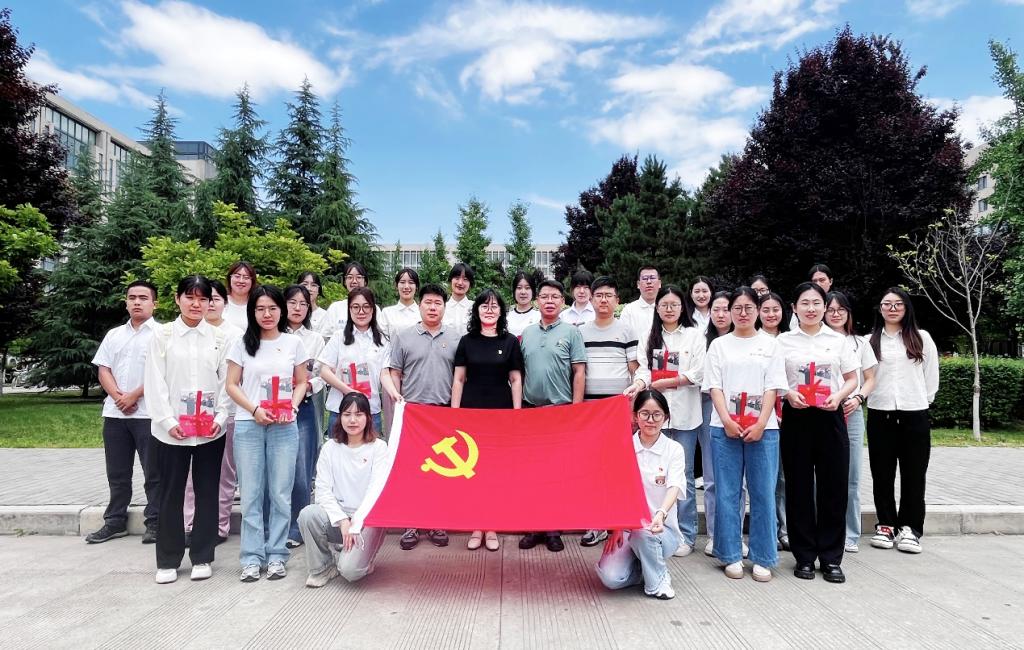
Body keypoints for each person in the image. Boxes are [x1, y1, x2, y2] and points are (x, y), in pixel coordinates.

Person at [144, 276, 231, 584]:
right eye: (190, 297)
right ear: (177, 299)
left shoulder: (219, 338)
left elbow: (226, 382)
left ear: (210, 303)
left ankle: (202, 555)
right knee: (171, 493)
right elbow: (154, 381)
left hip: (210, 430)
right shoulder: (162, 335)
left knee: (207, 490)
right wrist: (168, 421)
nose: (196, 304)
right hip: (171, 431)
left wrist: (221, 416)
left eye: (203, 299)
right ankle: (168, 559)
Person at [704, 287, 789, 582]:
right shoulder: (719, 346)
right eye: (737, 308)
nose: (742, 313)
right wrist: (726, 420)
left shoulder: (771, 345)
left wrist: (762, 422)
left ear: (757, 311)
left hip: (763, 429)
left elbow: (772, 387)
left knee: (763, 492)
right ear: (729, 312)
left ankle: (763, 556)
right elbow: (714, 386)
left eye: (748, 308)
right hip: (724, 427)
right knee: (728, 492)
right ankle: (729, 553)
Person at [226, 285, 310, 582]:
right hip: (249, 424)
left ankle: (276, 554)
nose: (267, 314)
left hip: (284, 426)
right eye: (260, 308)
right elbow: (232, 384)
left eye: (272, 308)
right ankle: (251, 557)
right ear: (252, 312)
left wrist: (293, 406)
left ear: (281, 311)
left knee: (280, 492)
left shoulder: (293, 343)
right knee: (251, 493)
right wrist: (254, 409)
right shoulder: (241, 344)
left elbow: (302, 381)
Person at [777, 282, 859, 583]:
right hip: (796, 417)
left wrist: (839, 397)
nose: (810, 308)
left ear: (825, 307)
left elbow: (852, 378)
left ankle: (831, 557)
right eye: (804, 303)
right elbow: (774, 378)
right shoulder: (783, 341)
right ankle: (804, 556)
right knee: (798, 487)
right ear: (794, 308)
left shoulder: (838, 341)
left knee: (833, 486)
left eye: (816, 303)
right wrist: (788, 393)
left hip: (830, 415)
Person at [386, 283, 461, 550]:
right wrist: (398, 403)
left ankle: (436, 521)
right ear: (419, 305)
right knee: (413, 472)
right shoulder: (404, 336)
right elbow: (395, 372)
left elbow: (460, 377)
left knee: (440, 472)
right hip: (413, 414)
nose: (432, 307)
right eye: (428, 302)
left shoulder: (455, 337)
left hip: (442, 413)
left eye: (438, 303)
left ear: (444, 307)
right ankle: (412, 524)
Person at [633, 286, 706, 557]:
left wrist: (668, 382)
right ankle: (651, 525)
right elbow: (643, 369)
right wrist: (639, 384)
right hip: (655, 415)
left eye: (674, 304)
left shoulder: (694, 335)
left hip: (685, 414)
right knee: (652, 473)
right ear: (657, 308)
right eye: (664, 304)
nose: (669, 309)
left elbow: (699, 372)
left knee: (683, 474)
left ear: (682, 307)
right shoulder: (649, 336)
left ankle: (685, 535)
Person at [87, 280, 161, 545]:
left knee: (154, 473)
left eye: (143, 297)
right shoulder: (114, 335)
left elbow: (162, 373)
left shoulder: (162, 335)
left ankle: (156, 522)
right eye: (132, 298)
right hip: (115, 414)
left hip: (148, 414)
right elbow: (103, 369)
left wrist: (134, 395)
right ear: (126, 302)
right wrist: (119, 397)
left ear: (155, 303)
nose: (137, 302)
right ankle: (115, 521)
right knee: (117, 473)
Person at [867, 288, 939, 554]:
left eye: (898, 304)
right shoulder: (869, 341)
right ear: (880, 309)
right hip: (880, 412)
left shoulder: (922, 338)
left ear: (907, 308)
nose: (892, 308)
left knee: (914, 474)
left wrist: (921, 400)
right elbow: (865, 377)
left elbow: (931, 376)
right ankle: (886, 524)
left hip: (914, 413)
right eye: (887, 304)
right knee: (882, 474)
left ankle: (910, 528)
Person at [452, 289, 524, 551]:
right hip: (471, 415)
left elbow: (516, 379)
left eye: (494, 306)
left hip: (500, 415)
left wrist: (516, 414)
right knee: (474, 473)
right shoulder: (466, 341)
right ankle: (476, 525)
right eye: (484, 306)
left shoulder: (510, 342)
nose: (489, 310)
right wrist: (454, 413)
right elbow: (459, 379)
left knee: (494, 473)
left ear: (501, 311)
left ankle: (491, 525)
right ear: (477, 311)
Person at [519, 279, 587, 552]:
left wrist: (576, 410)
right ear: (537, 301)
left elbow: (579, 372)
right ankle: (533, 527)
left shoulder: (571, 332)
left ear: (562, 302)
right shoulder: (527, 333)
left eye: (555, 297)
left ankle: (553, 529)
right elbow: (519, 374)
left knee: (556, 473)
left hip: (560, 411)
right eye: (545, 296)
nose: (549, 301)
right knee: (532, 473)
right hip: (530, 411)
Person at [596, 389, 683, 600]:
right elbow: (616, 490)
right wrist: (617, 527)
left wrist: (660, 514)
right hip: (629, 530)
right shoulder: (623, 446)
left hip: (661, 531)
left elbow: (674, 487)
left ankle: (658, 582)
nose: (650, 420)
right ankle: (644, 568)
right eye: (645, 414)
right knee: (611, 579)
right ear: (635, 416)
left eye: (657, 414)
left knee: (644, 533)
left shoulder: (674, 449)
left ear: (666, 417)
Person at [298, 392, 389, 587]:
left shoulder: (379, 448)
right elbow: (322, 490)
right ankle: (322, 567)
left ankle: (361, 559)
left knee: (350, 572)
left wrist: (356, 522)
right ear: (339, 417)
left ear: (368, 417)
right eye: (347, 414)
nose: (352, 420)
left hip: (367, 520)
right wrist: (342, 521)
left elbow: (376, 489)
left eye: (359, 414)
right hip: (340, 518)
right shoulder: (330, 448)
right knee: (308, 514)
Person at [579, 276, 639, 547]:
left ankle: (617, 524)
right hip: (590, 411)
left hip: (617, 410)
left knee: (616, 468)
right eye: (599, 295)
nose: (603, 300)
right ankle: (595, 524)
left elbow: (635, 370)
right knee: (591, 468)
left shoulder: (626, 330)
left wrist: (631, 408)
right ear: (591, 299)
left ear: (617, 300)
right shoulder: (580, 332)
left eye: (609, 295)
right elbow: (578, 370)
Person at [182, 279, 243, 547]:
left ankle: (219, 525)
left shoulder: (234, 335)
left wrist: (221, 412)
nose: (210, 304)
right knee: (190, 473)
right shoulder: (188, 332)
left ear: (224, 304)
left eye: (216, 299)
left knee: (224, 472)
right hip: (190, 412)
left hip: (225, 412)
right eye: (208, 299)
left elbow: (230, 379)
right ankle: (189, 524)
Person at [824, 291, 878, 553]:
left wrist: (858, 398)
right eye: (831, 310)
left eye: (841, 310)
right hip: (822, 412)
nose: (835, 314)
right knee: (820, 476)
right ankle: (823, 528)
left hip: (851, 411)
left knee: (851, 475)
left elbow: (870, 378)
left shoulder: (860, 343)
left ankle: (850, 533)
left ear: (848, 313)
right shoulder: (817, 340)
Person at [283, 284, 327, 550]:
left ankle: (297, 526)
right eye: (292, 302)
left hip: (304, 407)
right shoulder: (271, 335)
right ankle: (275, 524)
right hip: (273, 407)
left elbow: (322, 374)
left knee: (301, 470)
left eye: (303, 303)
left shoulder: (315, 339)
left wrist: (307, 385)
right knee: (277, 470)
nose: (298, 308)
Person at [320, 287, 391, 437]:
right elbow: (324, 371)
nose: (361, 312)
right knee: (338, 451)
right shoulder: (339, 337)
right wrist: (349, 391)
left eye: (366, 306)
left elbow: (384, 373)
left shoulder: (382, 340)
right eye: (356, 307)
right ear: (349, 310)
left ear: (373, 309)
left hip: (370, 410)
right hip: (340, 410)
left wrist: (395, 393)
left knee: (370, 451)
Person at [757, 290, 790, 551]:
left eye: (775, 309)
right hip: (760, 416)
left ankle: (785, 529)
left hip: (791, 412)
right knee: (766, 478)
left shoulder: (791, 340)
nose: (770, 314)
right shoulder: (752, 340)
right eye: (765, 310)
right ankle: (769, 530)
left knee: (785, 477)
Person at [318, 262, 384, 340]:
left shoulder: (374, 308)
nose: (354, 281)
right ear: (345, 281)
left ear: (365, 281)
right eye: (350, 277)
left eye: (358, 277)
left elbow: (380, 335)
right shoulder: (335, 308)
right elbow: (326, 337)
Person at [619, 265, 661, 341]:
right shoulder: (629, 310)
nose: (649, 282)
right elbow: (622, 337)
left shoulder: (666, 309)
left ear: (659, 283)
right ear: (638, 284)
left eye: (652, 278)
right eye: (645, 278)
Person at [789, 264, 834, 329]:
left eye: (822, 280)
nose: (818, 284)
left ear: (830, 281)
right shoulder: (800, 302)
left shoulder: (838, 301)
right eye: (814, 281)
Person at [381, 267, 421, 337]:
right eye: (402, 282)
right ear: (396, 286)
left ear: (416, 287)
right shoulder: (387, 313)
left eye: (411, 282)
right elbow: (383, 339)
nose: (406, 287)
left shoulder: (423, 312)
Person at [223, 261, 257, 331]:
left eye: (246, 277)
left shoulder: (257, 305)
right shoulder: (220, 302)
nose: (241, 281)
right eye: (237, 276)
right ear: (230, 278)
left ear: (252, 281)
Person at [443, 263, 475, 335]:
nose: (460, 283)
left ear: (470, 283)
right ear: (450, 280)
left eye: (465, 279)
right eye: (457, 278)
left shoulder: (475, 307)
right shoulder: (442, 307)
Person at [506, 270, 541, 337]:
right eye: (519, 288)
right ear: (514, 291)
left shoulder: (539, 316)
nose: (523, 292)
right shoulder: (506, 315)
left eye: (527, 288)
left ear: (533, 291)